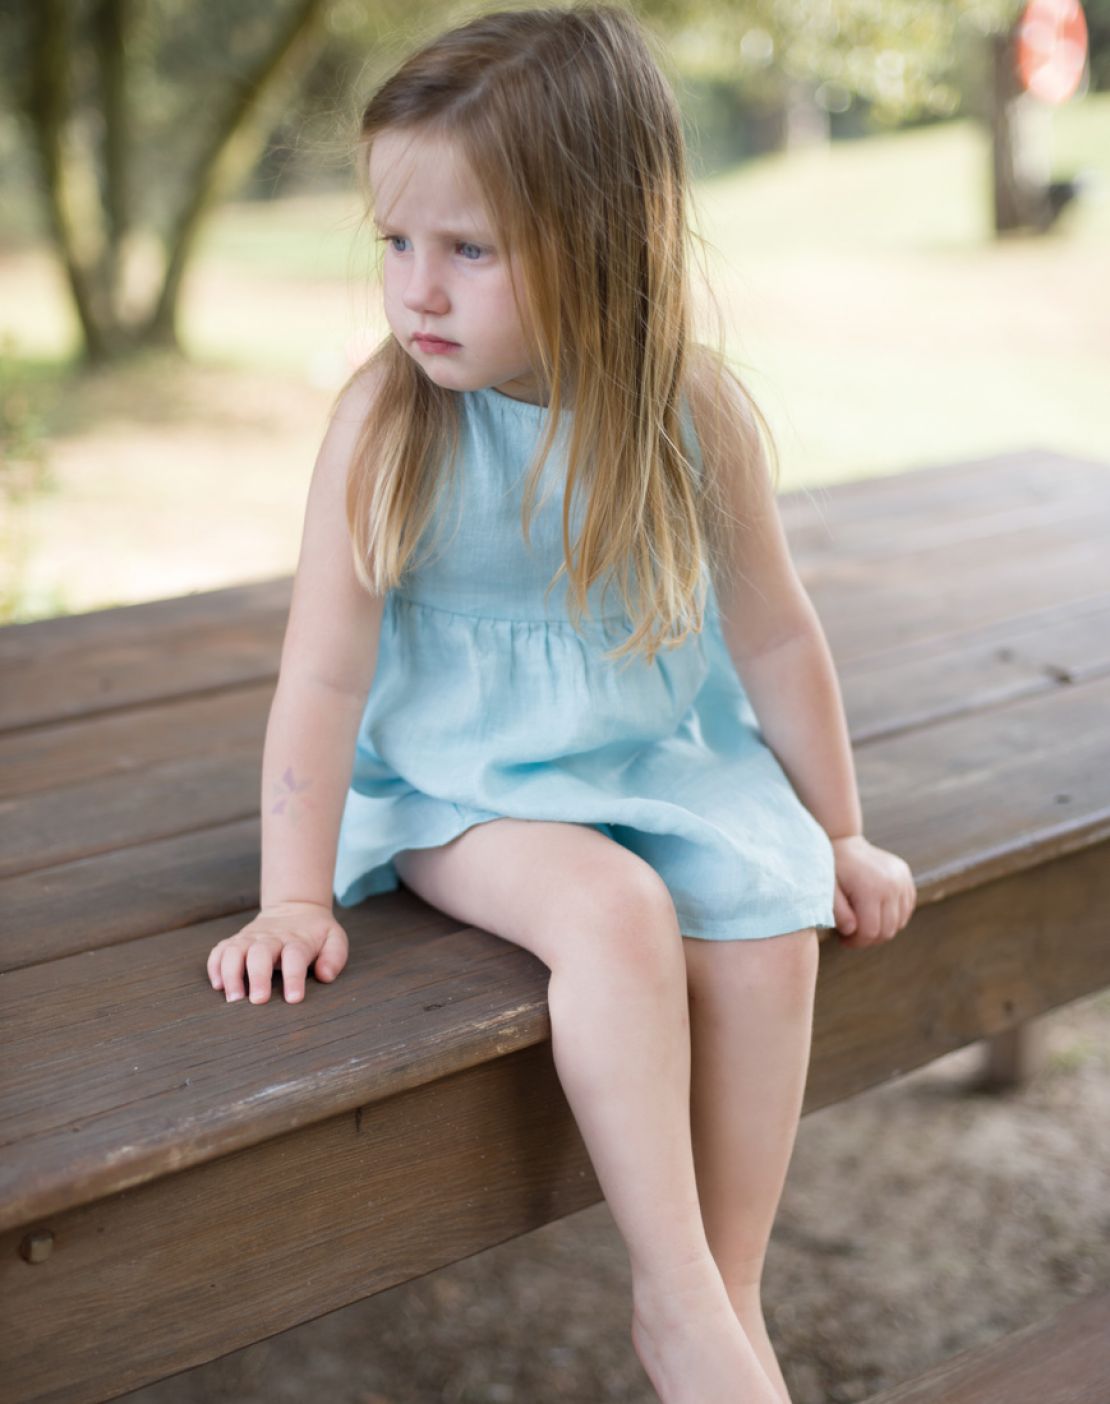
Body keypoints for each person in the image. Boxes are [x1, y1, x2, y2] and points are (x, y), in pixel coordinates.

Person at [206, 5, 916, 1400]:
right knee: (614, 914)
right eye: (394, 244)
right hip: (464, 789)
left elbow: (774, 639)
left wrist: (836, 828)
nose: (417, 291)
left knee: (773, 918)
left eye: (467, 250)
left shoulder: (688, 413)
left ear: (601, 239)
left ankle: (727, 1292)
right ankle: (667, 1293)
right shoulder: (389, 423)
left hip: (655, 759)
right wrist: (294, 894)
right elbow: (322, 673)